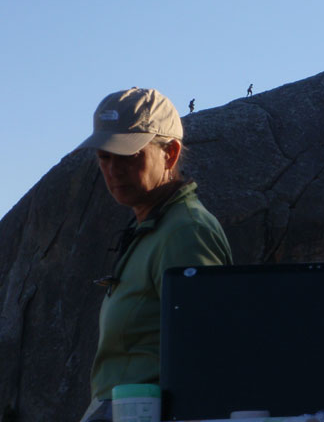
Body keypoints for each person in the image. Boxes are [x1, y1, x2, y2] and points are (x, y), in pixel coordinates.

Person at [76, 87, 233, 422]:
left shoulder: (186, 232)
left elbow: (208, 357)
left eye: (129, 155)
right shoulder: (151, 228)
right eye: (104, 156)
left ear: (171, 153)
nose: (113, 169)